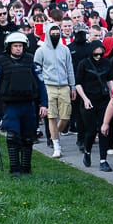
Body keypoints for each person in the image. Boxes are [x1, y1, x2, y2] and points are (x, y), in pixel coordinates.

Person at [0, 32, 48, 176]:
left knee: (28, 138)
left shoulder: (30, 62)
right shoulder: (2, 64)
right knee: (13, 137)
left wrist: (44, 104)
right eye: (15, 46)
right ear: (9, 47)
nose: (18, 49)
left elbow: (40, 84)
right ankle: (15, 169)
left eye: (20, 46)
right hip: (11, 107)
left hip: (29, 106)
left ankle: (26, 168)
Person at [34, 23, 76, 158]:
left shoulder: (65, 50)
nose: (55, 36)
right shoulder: (40, 51)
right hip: (48, 86)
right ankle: (56, 145)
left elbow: (70, 68)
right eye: (52, 34)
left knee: (65, 117)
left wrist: (72, 86)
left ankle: (54, 135)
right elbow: (36, 70)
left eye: (57, 33)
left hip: (64, 86)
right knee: (51, 116)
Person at [76, 43, 113, 171]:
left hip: (103, 100)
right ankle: (87, 151)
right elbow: (78, 83)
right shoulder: (84, 64)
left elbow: (109, 80)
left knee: (104, 129)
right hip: (88, 100)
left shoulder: (106, 63)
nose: (98, 57)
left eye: (100, 54)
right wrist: (85, 99)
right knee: (91, 131)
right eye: (95, 54)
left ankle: (103, 160)